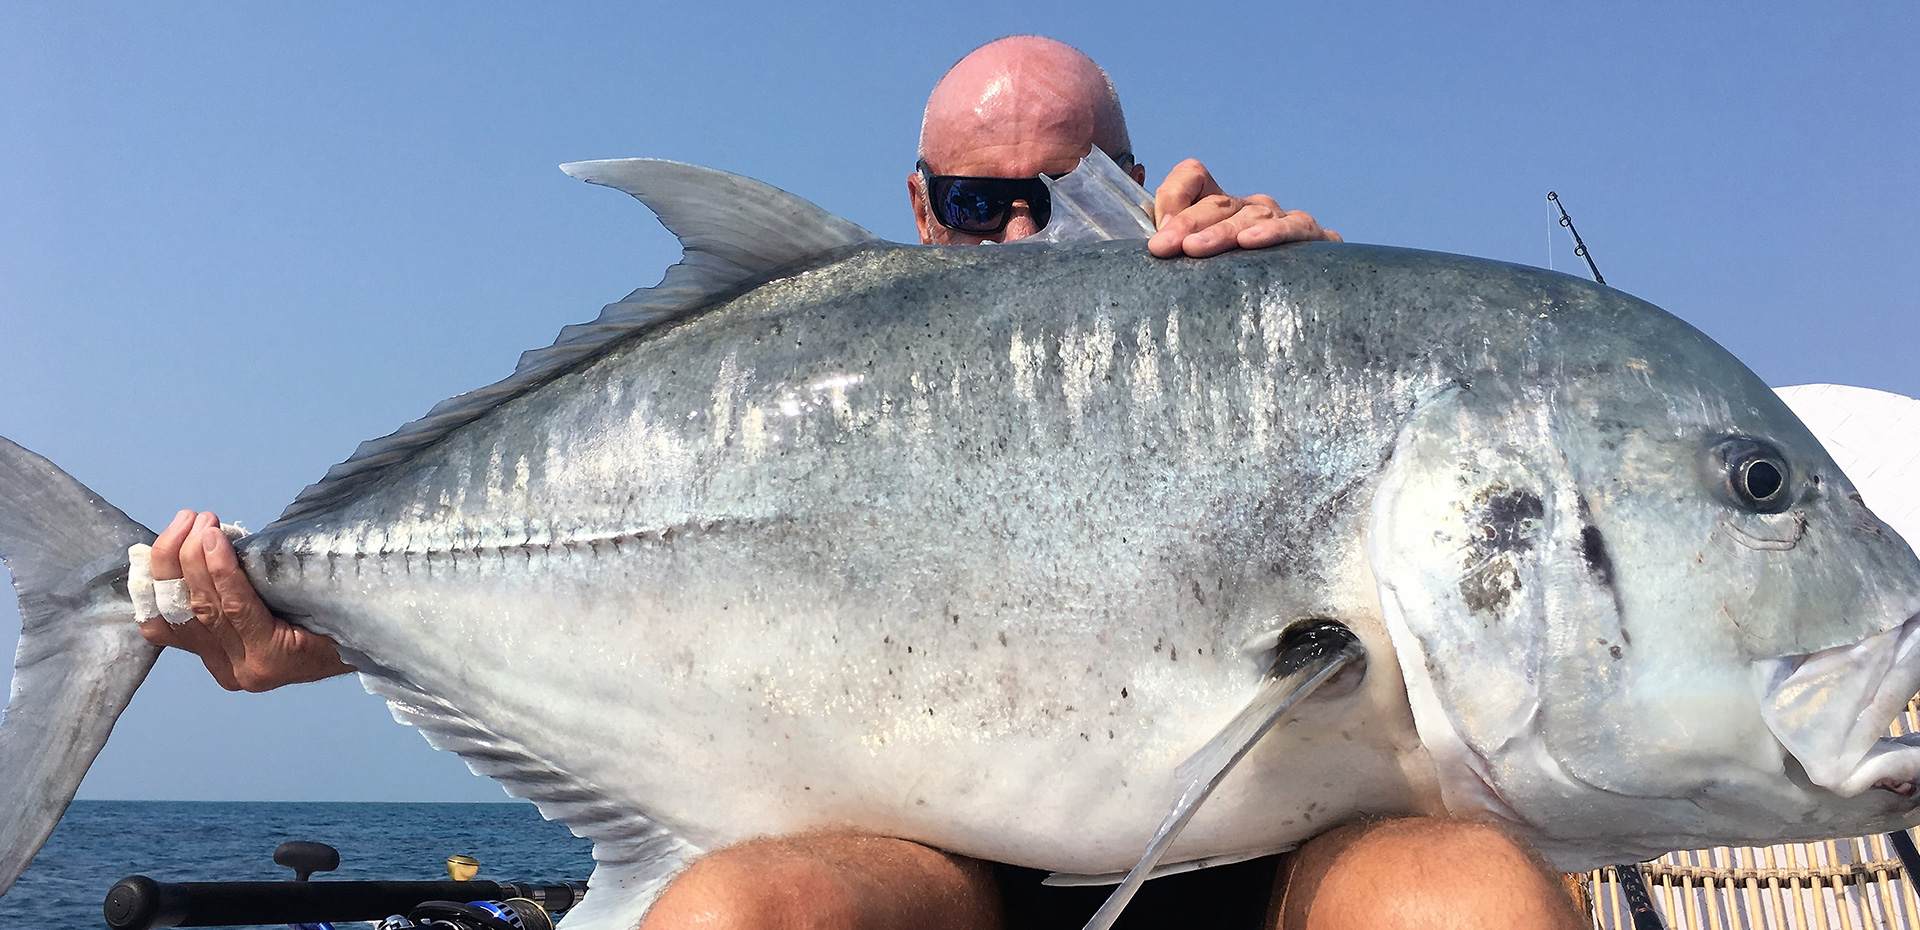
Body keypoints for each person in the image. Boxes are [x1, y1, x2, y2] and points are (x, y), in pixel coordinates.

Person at [140, 36, 1583, 930]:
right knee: (735, 919)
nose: (1020, 233)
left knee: (1476, 905)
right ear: (915, 208)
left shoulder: (1269, 316)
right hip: (935, 860)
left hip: (1267, 851)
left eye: (1069, 187)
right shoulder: (806, 386)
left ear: (1140, 183)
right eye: (974, 202)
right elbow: (643, 577)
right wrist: (296, 630)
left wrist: (1325, 327)